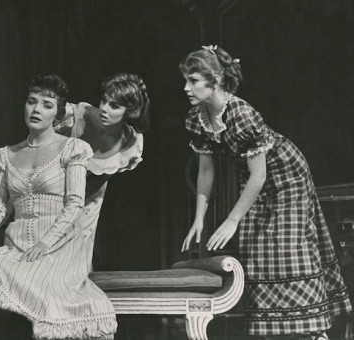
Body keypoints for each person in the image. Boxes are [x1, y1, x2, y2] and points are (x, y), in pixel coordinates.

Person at [180, 45, 352, 339]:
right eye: (185, 79)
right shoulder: (198, 118)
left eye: (193, 80)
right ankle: (281, 331)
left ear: (215, 81)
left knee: (288, 245)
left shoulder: (242, 114)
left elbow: (260, 174)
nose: (186, 87)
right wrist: (199, 218)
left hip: (285, 173)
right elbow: (205, 171)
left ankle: (315, 331)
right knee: (258, 249)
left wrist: (232, 220)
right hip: (252, 177)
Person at [0, 74, 117, 340]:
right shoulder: (5, 155)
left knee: (36, 285)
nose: (36, 109)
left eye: (46, 105)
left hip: (59, 246)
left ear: (57, 116)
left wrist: (45, 244)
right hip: (17, 245)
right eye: (31, 102)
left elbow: (74, 204)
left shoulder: (73, 149)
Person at [54, 72, 150, 269]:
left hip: (88, 201)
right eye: (104, 101)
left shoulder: (131, 144)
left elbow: (98, 181)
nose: (104, 109)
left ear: (130, 111)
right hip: (52, 191)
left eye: (114, 106)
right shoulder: (77, 116)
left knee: (77, 264)